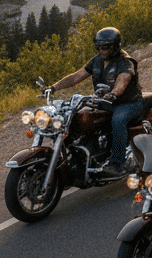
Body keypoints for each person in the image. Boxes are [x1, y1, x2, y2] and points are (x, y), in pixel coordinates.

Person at [51, 27, 143, 178]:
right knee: (78, 118)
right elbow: (76, 77)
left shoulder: (126, 61)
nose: (102, 50)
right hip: (104, 103)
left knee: (118, 120)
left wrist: (113, 93)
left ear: (115, 46)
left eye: (105, 47)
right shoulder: (96, 61)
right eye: (99, 47)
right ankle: (79, 156)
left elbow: (123, 79)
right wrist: (53, 87)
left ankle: (117, 163)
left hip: (128, 103)